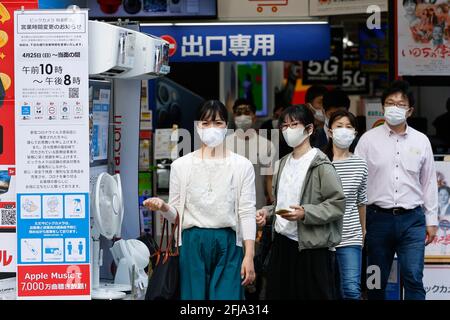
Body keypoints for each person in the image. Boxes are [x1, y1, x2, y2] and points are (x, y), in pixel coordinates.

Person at [144, 100, 256, 300]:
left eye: (218, 123)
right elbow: (176, 216)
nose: (211, 128)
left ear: (227, 127)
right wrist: (163, 207)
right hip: (191, 242)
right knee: (193, 300)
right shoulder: (181, 166)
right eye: (205, 123)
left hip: (229, 242)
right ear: (196, 126)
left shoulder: (242, 166)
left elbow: (246, 212)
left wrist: (249, 255)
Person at [355, 80, 438, 300]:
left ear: (410, 110)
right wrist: (359, 223)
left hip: (412, 220)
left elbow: (428, 182)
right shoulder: (367, 140)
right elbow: (357, 183)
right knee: (375, 280)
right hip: (376, 220)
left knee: (413, 277)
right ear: (382, 107)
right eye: (390, 103)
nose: (395, 107)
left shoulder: (421, 141)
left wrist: (432, 220)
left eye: (401, 104)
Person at [255, 105, 345, 300]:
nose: (289, 130)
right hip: (281, 244)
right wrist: (268, 213)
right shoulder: (282, 163)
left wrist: (306, 213)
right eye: (285, 126)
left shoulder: (321, 164)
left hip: (311, 247)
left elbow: (337, 204)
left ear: (310, 129)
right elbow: (281, 203)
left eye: (295, 124)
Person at [324, 110, 368, 300]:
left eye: (349, 127)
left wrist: (363, 230)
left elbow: (361, 201)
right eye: (339, 126)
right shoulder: (319, 161)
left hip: (350, 236)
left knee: (351, 289)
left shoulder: (360, 164)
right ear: (329, 131)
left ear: (355, 133)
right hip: (322, 237)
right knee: (326, 291)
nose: (344, 130)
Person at [226, 98, 276, 209]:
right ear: (234, 116)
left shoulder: (267, 145)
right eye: (239, 113)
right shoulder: (224, 145)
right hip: (229, 207)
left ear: (254, 117)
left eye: (247, 113)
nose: (243, 116)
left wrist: (273, 203)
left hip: (257, 207)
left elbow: (269, 178)